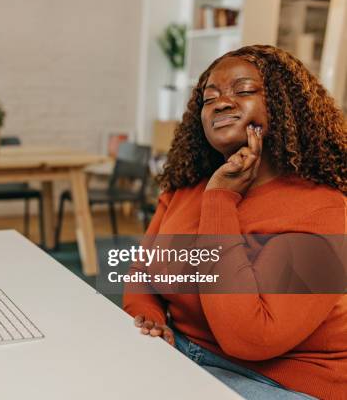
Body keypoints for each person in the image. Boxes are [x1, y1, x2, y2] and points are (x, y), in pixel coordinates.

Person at [123, 45, 346, 399]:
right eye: (209, 98)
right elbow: (143, 273)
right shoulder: (185, 188)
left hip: (279, 379)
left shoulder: (325, 211)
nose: (221, 103)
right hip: (182, 351)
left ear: (285, 105)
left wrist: (221, 200)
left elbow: (251, 338)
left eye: (243, 91)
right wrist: (149, 315)